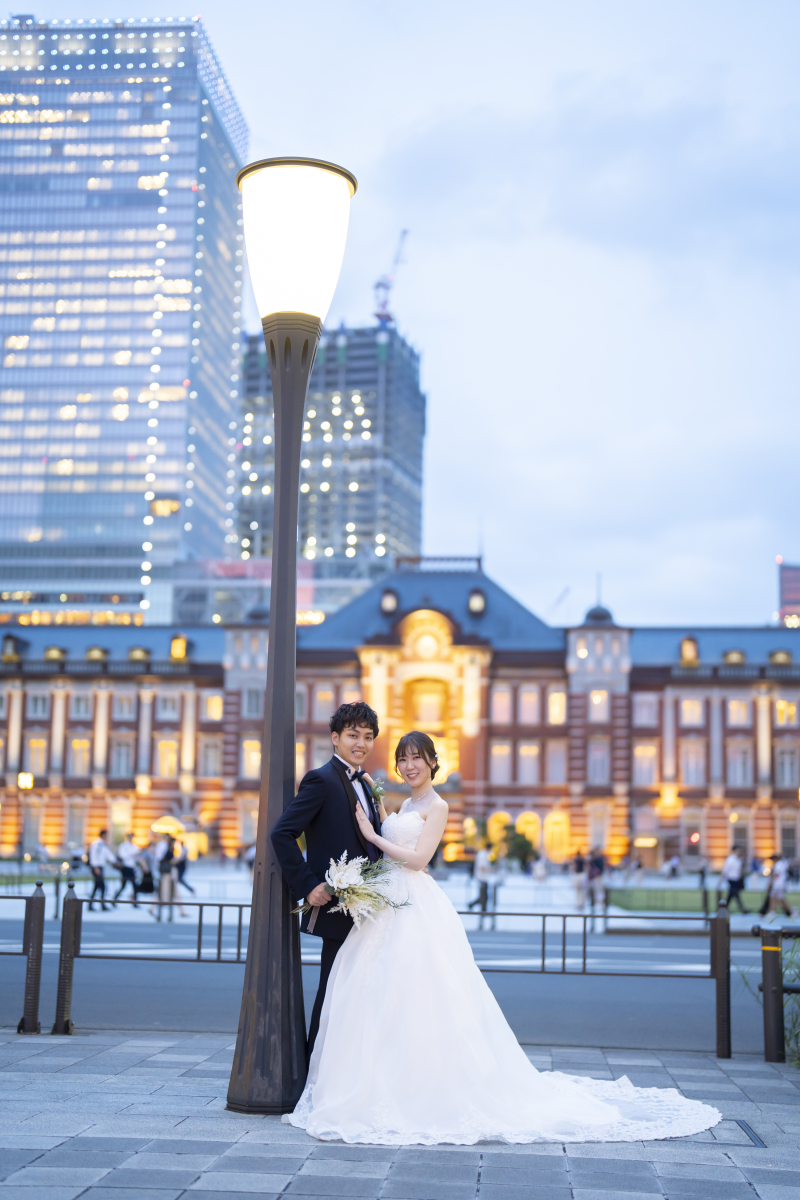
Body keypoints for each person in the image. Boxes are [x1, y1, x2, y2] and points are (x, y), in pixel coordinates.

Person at [284, 730, 721, 1145]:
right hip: (390, 902)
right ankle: (377, 1075)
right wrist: (373, 838)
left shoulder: (437, 805)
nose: (409, 764)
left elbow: (418, 859)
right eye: (403, 758)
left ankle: (420, 1082)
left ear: (434, 762)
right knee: (378, 990)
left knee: (422, 989)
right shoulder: (400, 801)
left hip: (414, 901)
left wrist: (373, 834)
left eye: (417, 757)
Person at [271, 700, 383, 1059]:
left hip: (368, 907)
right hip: (337, 906)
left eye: (367, 737)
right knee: (332, 990)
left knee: (357, 993)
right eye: (352, 735)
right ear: (335, 738)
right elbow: (283, 834)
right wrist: (308, 885)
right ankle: (313, 1076)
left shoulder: (364, 784)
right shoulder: (321, 779)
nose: (360, 743)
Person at [88, 829, 117, 912]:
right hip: (96, 867)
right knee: (103, 887)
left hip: (100, 867)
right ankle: (102, 904)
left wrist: (115, 861)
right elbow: (93, 856)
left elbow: (108, 855)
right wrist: (95, 867)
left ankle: (91, 904)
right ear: (103, 835)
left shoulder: (103, 845)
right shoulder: (96, 844)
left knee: (97, 886)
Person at [467, 841, 493, 927]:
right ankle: (482, 912)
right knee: (484, 897)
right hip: (482, 878)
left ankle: (479, 909)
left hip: (482, 878)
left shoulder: (482, 854)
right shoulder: (483, 855)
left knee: (484, 897)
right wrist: (492, 869)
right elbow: (482, 868)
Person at [113, 832, 141, 905]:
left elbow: (138, 857)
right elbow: (122, 855)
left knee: (134, 885)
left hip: (132, 868)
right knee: (124, 886)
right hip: (125, 867)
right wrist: (132, 854)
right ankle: (115, 899)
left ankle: (134, 901)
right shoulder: (124, 845)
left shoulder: (134, 846)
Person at [721, 846, 747, 913]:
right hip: (731, 879)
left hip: (737, 879)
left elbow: (740, 870)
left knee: (732, 894)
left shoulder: (739, 860)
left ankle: (725, 908)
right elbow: (725, 870)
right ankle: (742, 909)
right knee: (735, 893)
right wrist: (721, 880)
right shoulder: (730, 859)